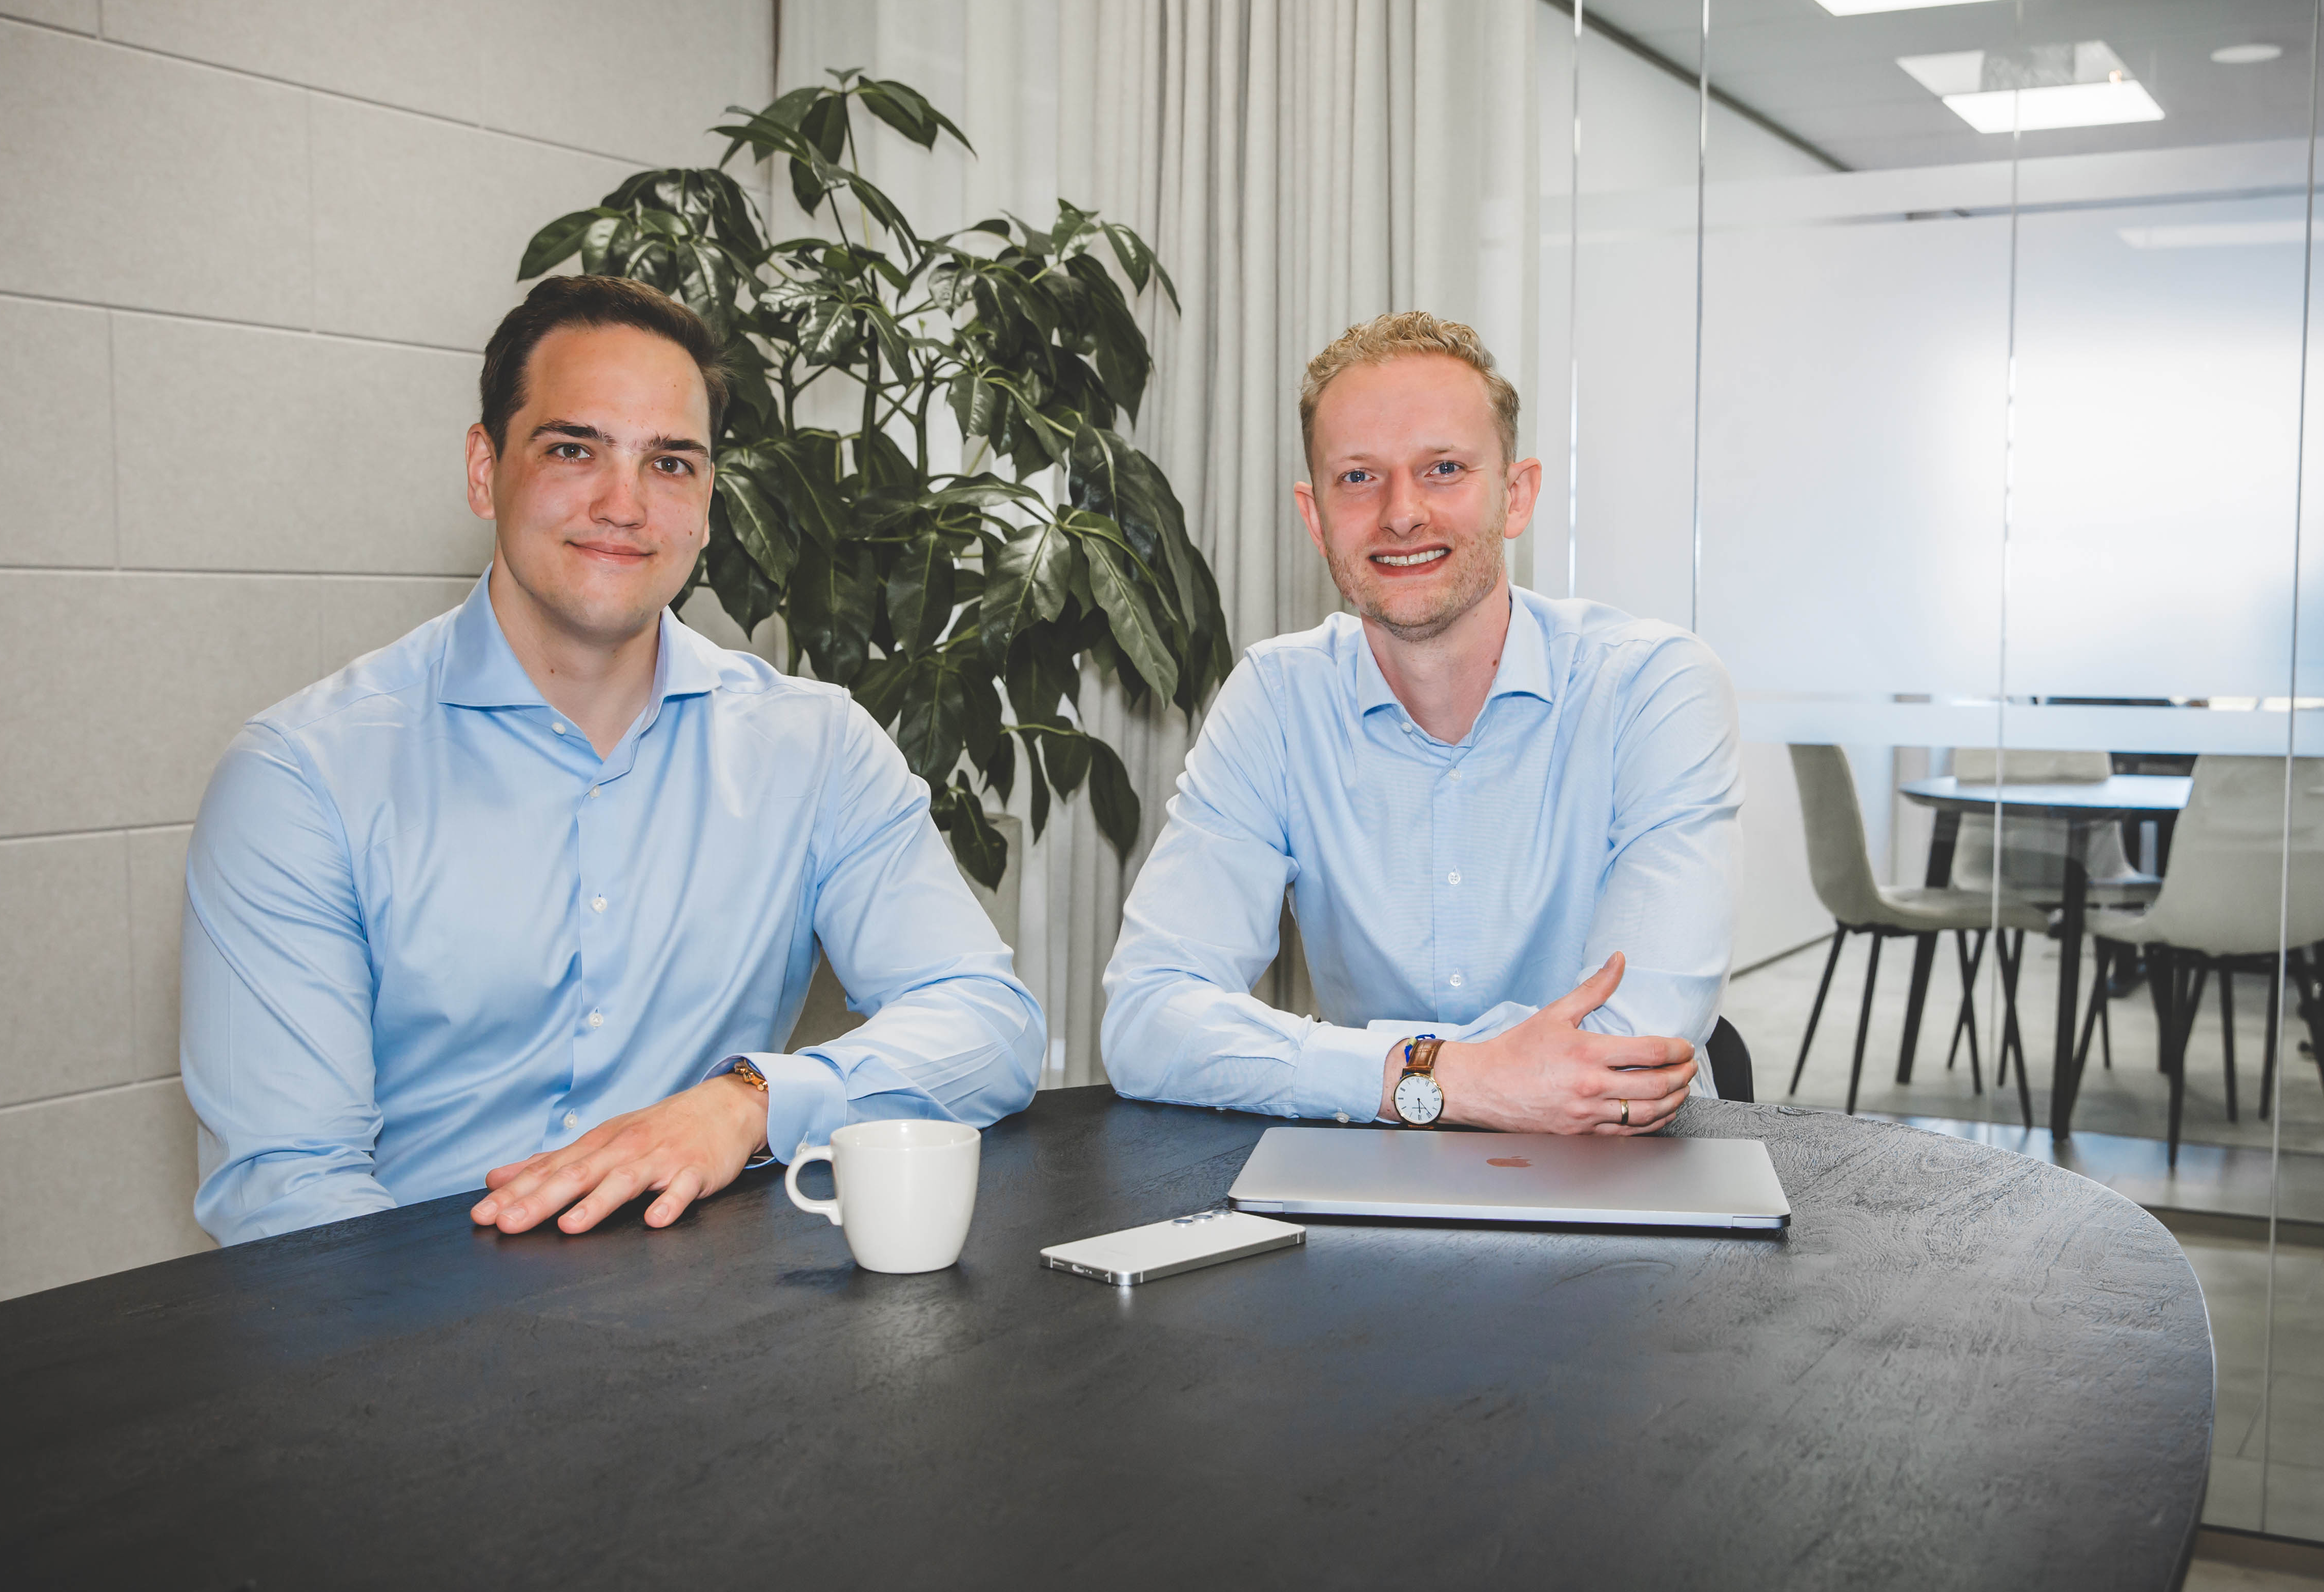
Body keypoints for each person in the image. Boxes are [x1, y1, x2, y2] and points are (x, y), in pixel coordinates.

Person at [182, 276, 1042, 1245]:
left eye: (671, 463)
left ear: (709, 502)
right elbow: (290, 1202)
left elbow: (989, 1025)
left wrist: (747, 1101)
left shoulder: (817, 748)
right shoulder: (301, 780)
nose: (623, 503)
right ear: (483, 469)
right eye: (571, 449)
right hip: (418, 1336)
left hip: (721, 1325)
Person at [1101, 312, 1740, 1134]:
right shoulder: (1276, 699)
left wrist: (1365, 1070)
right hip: (1375, 1182)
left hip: (1621, 1179)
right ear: (1315, 515)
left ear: (1517, 496)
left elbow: (1627, 1056)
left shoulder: (1654, 687)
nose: (1401, 514)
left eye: (1443, 468)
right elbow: (1146, 1020)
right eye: (1359, 478)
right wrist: (1449, 1076)